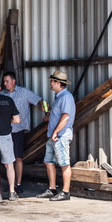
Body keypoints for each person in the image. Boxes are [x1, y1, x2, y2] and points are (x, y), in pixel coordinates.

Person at [0, 71, 44, 194]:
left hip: (18, 130)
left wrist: (45, 109)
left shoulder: (23, 92)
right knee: (8, 160)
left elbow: (39, 100)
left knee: (18, 158)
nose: (5, 84)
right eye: (4, 82)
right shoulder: (2, 94)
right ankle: (11, 184)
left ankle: (18, 184)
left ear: (13, 81)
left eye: (7, 81)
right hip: (5, 131)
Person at [36, 70, 76, 202]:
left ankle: (65, 192)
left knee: (64, 163)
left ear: (58, 83)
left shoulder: (66, 97)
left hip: (60, 136)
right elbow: (59, 114)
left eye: (52, 81)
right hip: (53, 136)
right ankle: (52, 189)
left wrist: (55, 132)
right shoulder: (59, 96)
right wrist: (49, 116)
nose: (50, 83)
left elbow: (65, 117)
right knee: (48, 161)